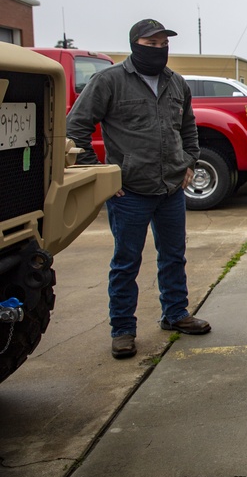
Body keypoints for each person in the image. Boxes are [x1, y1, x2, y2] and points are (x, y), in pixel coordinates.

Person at [67, 19, 211, 360]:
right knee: (126, 263)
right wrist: (101, 173)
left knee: (174, 256)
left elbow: (188, 125)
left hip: (171, 189)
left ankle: (175, 314)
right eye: (153, 42)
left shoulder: (176, 83)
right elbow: (77, 125)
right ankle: (123, 331)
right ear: (136, 44)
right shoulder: (109, 81)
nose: (160, 48)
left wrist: (190, 161)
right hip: (129, 191)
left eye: (164, 43)